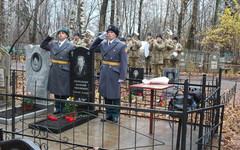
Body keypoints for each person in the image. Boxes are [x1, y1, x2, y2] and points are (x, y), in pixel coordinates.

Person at [89, 24, 128, 123]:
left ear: (116, 35)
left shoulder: (121, 45)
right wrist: (99, 39)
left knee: (114, 95)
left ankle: (115, 115)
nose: (109, 34)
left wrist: (122, 76)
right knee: (106, 94)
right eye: (108, 32)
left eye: (112, 33)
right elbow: (91, 48)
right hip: (105, 71)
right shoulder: (103, 44)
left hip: (114, 72)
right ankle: (108, 114)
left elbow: (124, 62)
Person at [40, 26, 75, 114]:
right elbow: (43, 45)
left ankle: (63, 109)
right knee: (56, 90)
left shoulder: (71, 46)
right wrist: (49, 37)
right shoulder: (53, 44)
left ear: (67, 35)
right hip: (55, 69)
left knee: (63, 91)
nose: (60, 35)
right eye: (59, 33)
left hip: (64, 70)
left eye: (63, 33)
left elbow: (73, 60)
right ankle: (58, 108)